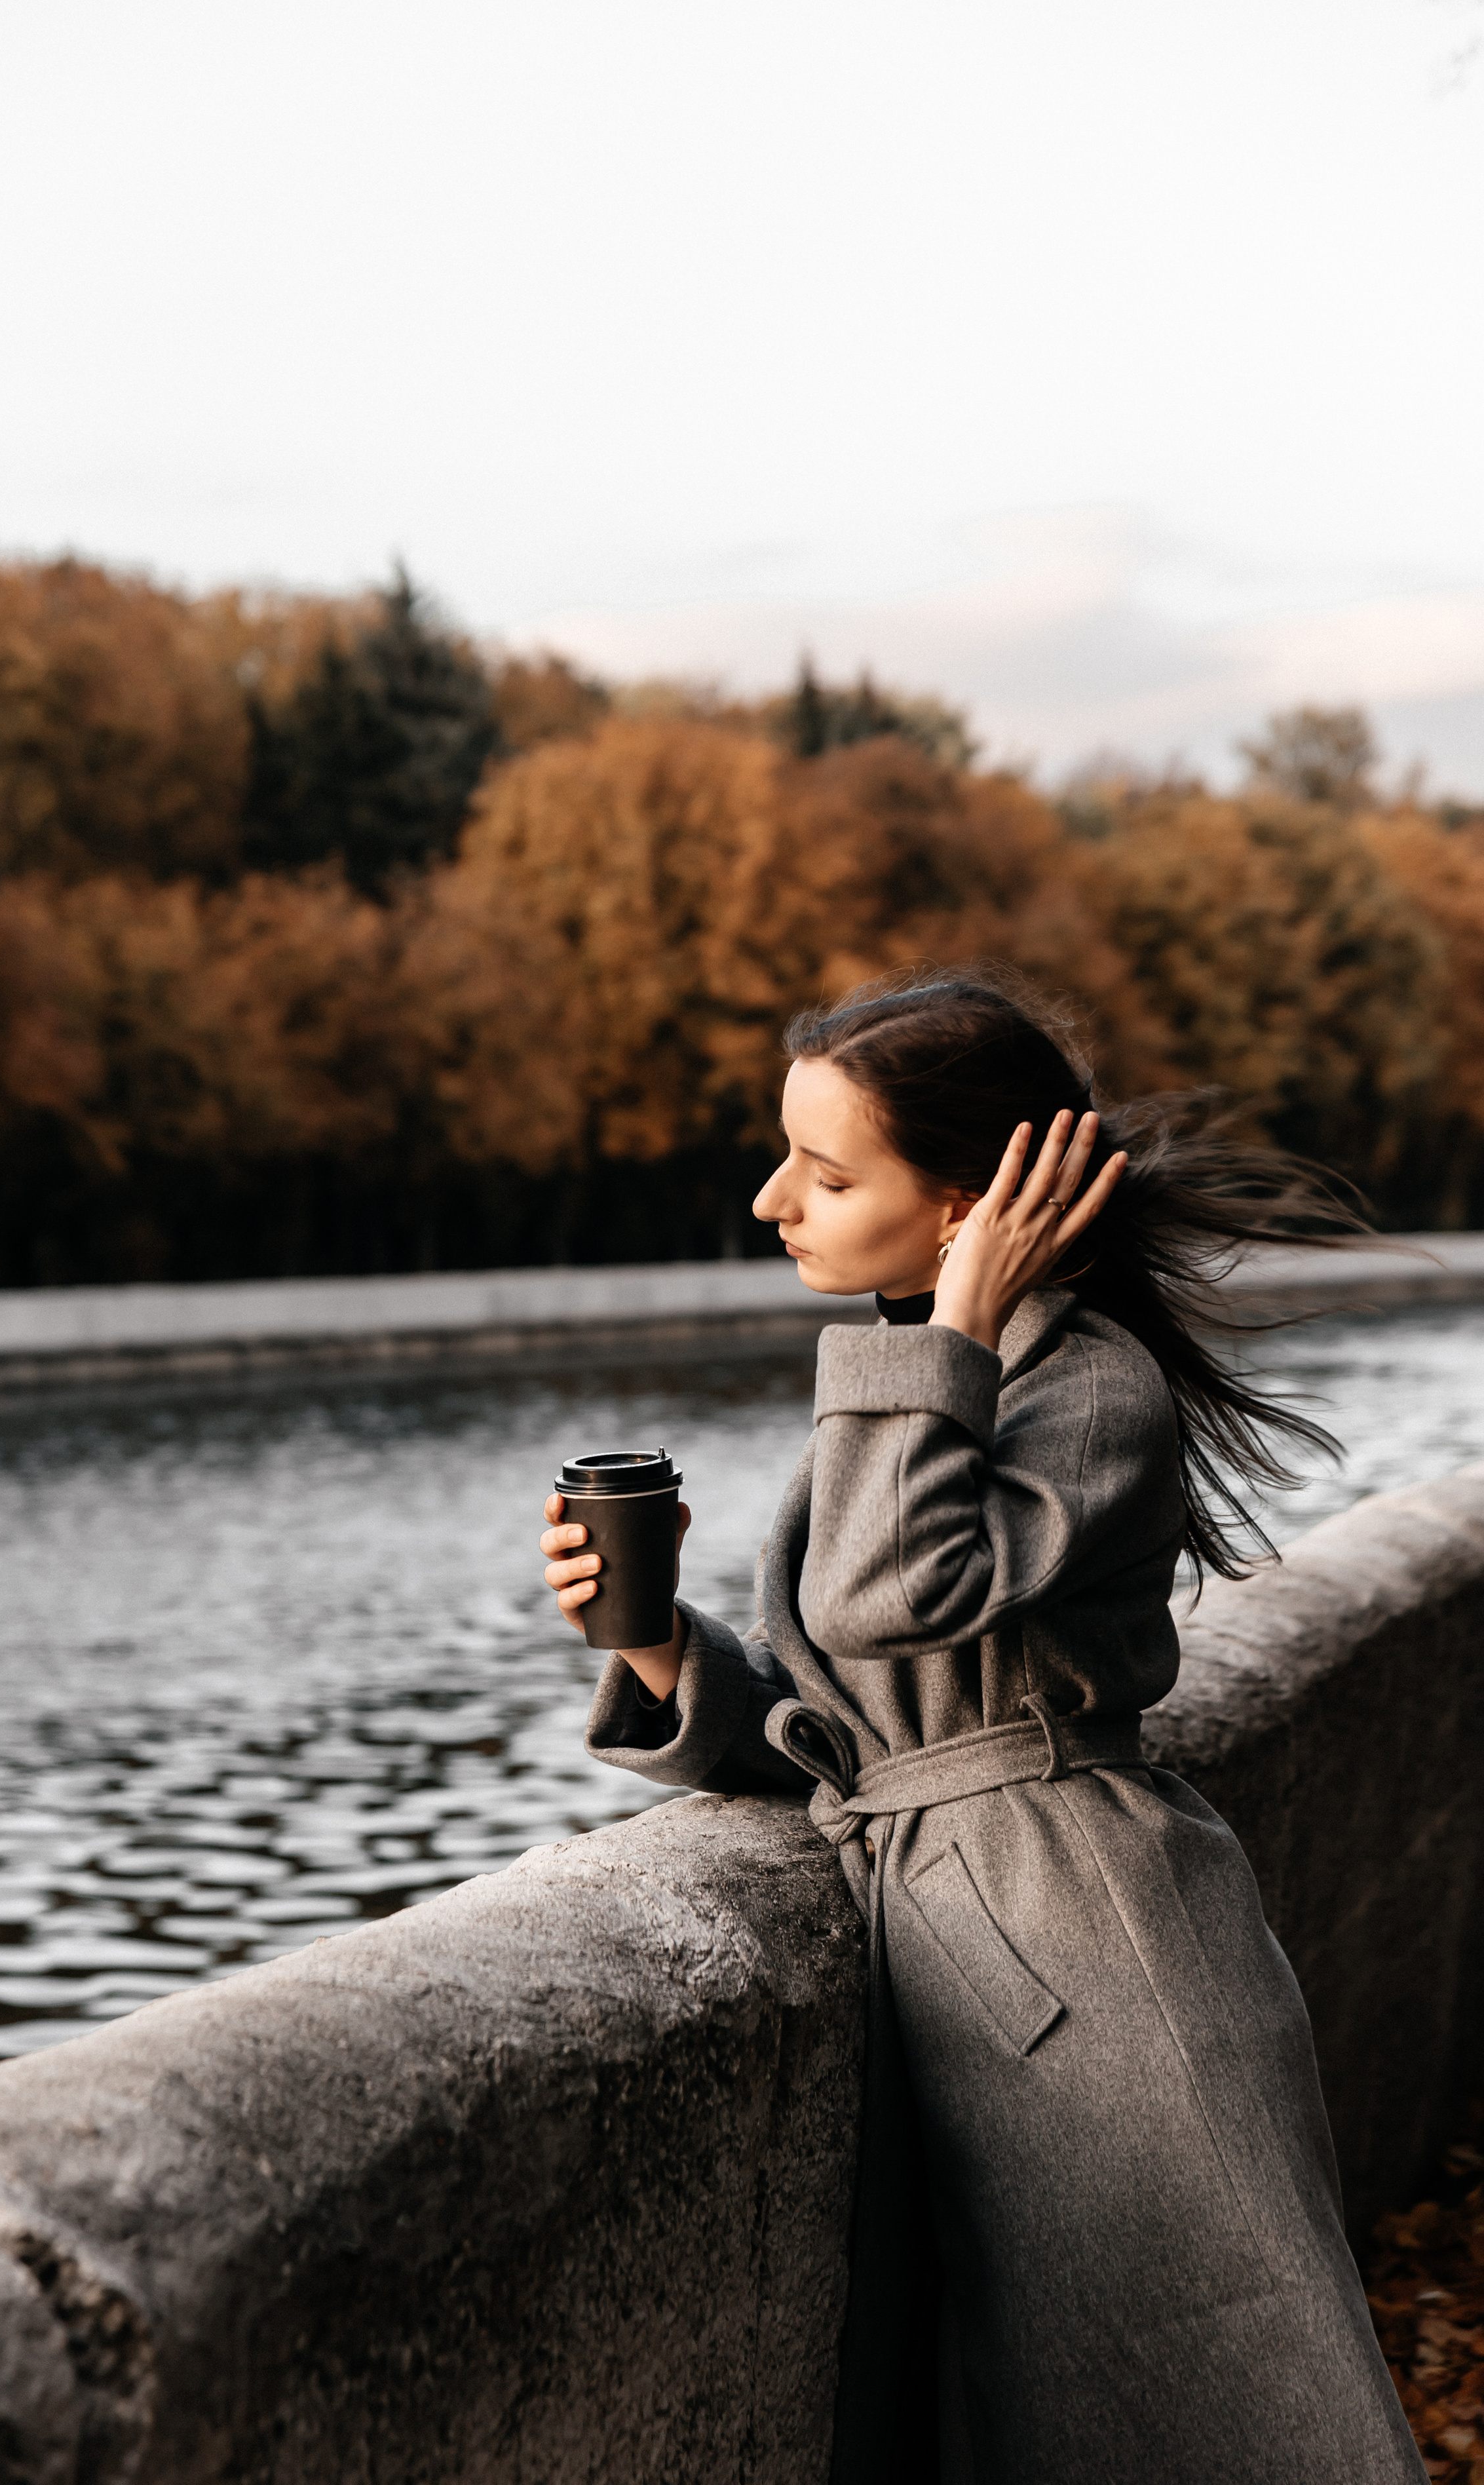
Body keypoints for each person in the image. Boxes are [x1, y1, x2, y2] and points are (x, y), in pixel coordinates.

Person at [539, 972, 1424, 2485]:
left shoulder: (1083, 1386)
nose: (770, 1201)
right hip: (982, 1933)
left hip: (1091, 1954)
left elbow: (882, 1597)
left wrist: (950, 1321)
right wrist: (654, 1642)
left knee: (1228, 2412)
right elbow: (865, 1726)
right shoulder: (945, 1385)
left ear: (968, 1207)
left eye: (825, 1174)